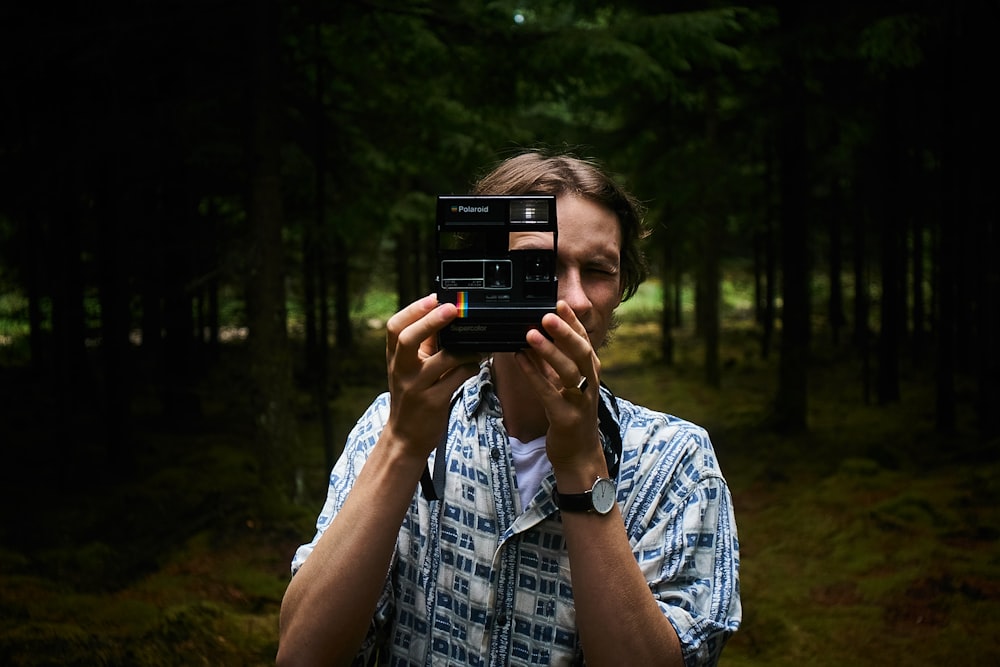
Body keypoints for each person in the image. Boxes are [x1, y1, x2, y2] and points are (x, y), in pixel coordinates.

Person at [277, 150, 741, 667]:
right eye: (537, 266)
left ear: (621, 289)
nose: (575, 299)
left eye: (597, 271)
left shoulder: (676, 462)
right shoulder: (390, 427)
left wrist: (583, 465)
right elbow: (301, 656)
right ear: (482, 276)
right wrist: (403, 446)